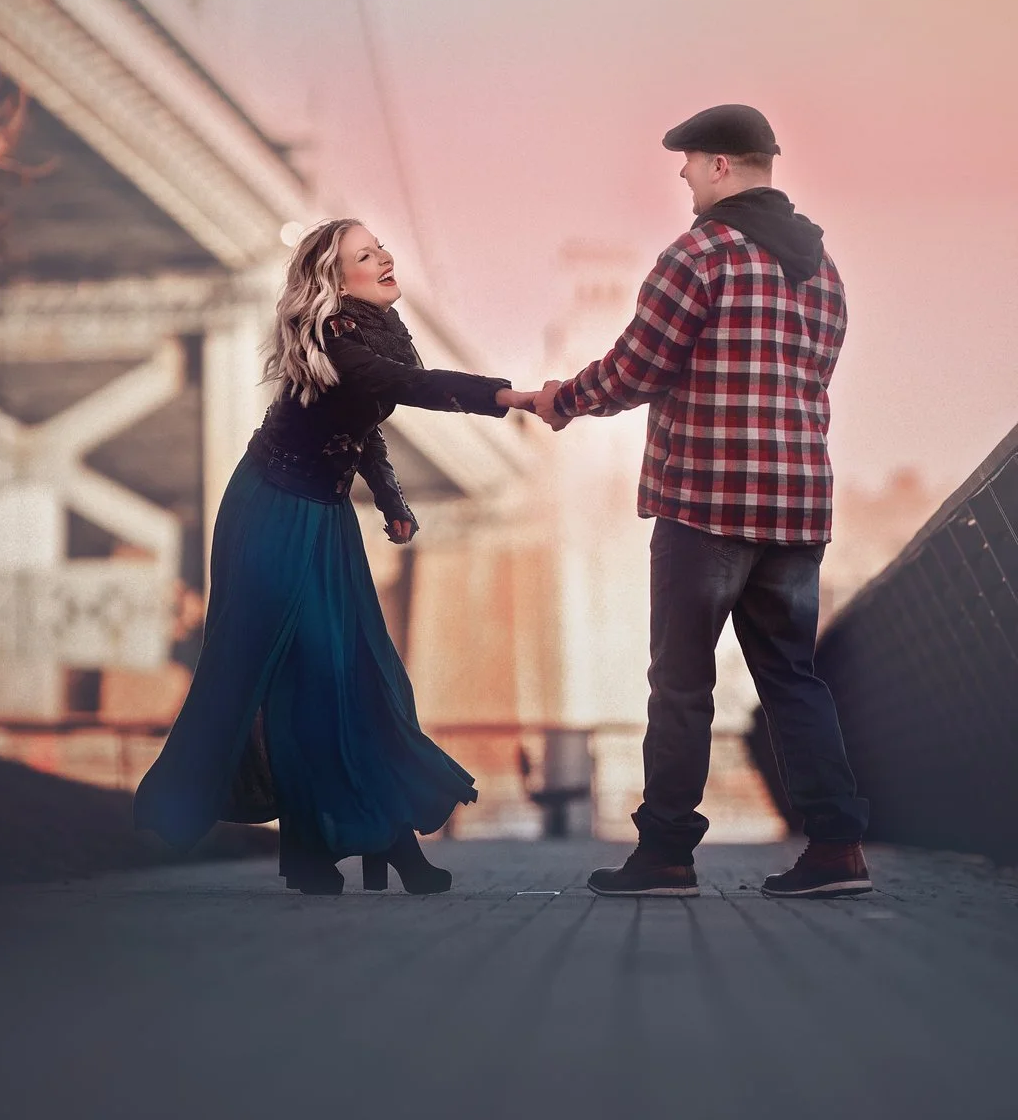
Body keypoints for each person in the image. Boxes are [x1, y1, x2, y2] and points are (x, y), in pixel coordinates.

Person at [134, 218, 532, 895]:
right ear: (334, 280)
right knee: (295, 678)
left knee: (367, 674)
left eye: (380, 247)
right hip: (269, 511)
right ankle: (304, 844)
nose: (384, 257)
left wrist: (391, 496)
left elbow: (362, 421)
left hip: (325, 515)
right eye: (364, 254)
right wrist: (504, 395)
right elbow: (407, 387)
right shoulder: (336, 335)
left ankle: (373, 845)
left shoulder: (380, 329)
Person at [532, 104, 870, 899]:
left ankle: (667, 855)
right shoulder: (824, 269)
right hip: (797, 507)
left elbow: (636, 368)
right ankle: (836, 849)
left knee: (681, 682)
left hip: (709, 503)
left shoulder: (701, 253)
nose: (682, 175)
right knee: (794, 679)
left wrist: (563, 399)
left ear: (720, 165)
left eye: (687, 161)